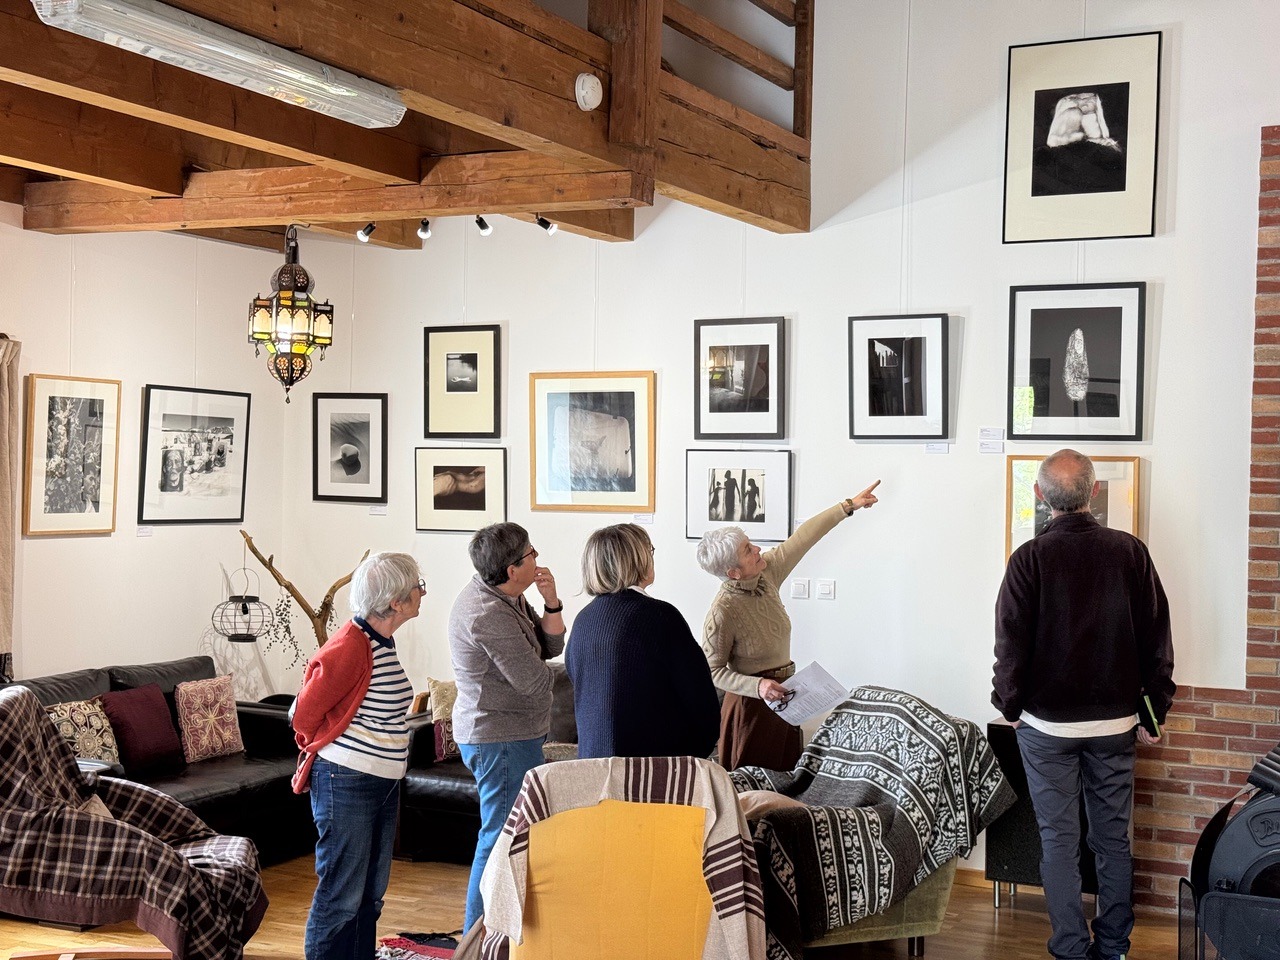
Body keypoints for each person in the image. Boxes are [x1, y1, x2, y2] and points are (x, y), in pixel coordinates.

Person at [992, 449, 1175, 960]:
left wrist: (1008, 706)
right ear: (1094, 493)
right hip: (1115, 724)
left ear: (1039, 496)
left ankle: (1071, 948)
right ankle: (1113, 947)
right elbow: (1157, 643)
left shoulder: (1028, 559)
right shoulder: (1131, 552)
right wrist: (1153, 710)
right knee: (1113, 840)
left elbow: (1010, 647)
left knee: (1058, 841)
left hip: (1046, 728)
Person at [696, 480, 881, 771]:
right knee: (755, 794)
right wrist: (758, 686)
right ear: (733, 572)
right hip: (751, 709)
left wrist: (848, 506)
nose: (757, 549)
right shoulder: (723, 611)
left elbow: (803, 538)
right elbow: (713, 671)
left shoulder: (766, 574)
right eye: (748, 550)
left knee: (786, 785)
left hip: (785, 698)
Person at [291, 552, 423, 960]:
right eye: (418, 586)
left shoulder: (381, 639)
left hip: (381, 781)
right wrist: (334, 746)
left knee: (370, 895)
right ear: (396, 601)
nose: (422, 592)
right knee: (340, 896)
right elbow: (302, 714)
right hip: (346, 781)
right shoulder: (350, 645)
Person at [449, 522, 565, 933]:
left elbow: (551, 647)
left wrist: (551, 603)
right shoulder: (486, 614)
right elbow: (534, 682)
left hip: (515, 734)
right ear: (513, 567)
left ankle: (499, 930)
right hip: (498, 738)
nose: (537, 557)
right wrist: (584, 670)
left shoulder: (507, 596)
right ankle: (476, 939)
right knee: (498, 837)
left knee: (508, 834)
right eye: (531, 552)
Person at [567, 523, 719, 760]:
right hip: (651, 771)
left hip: (593, 768)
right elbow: (701, 702)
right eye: (650, 551)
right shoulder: (659, 616)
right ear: (636, 559)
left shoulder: (583, 620)